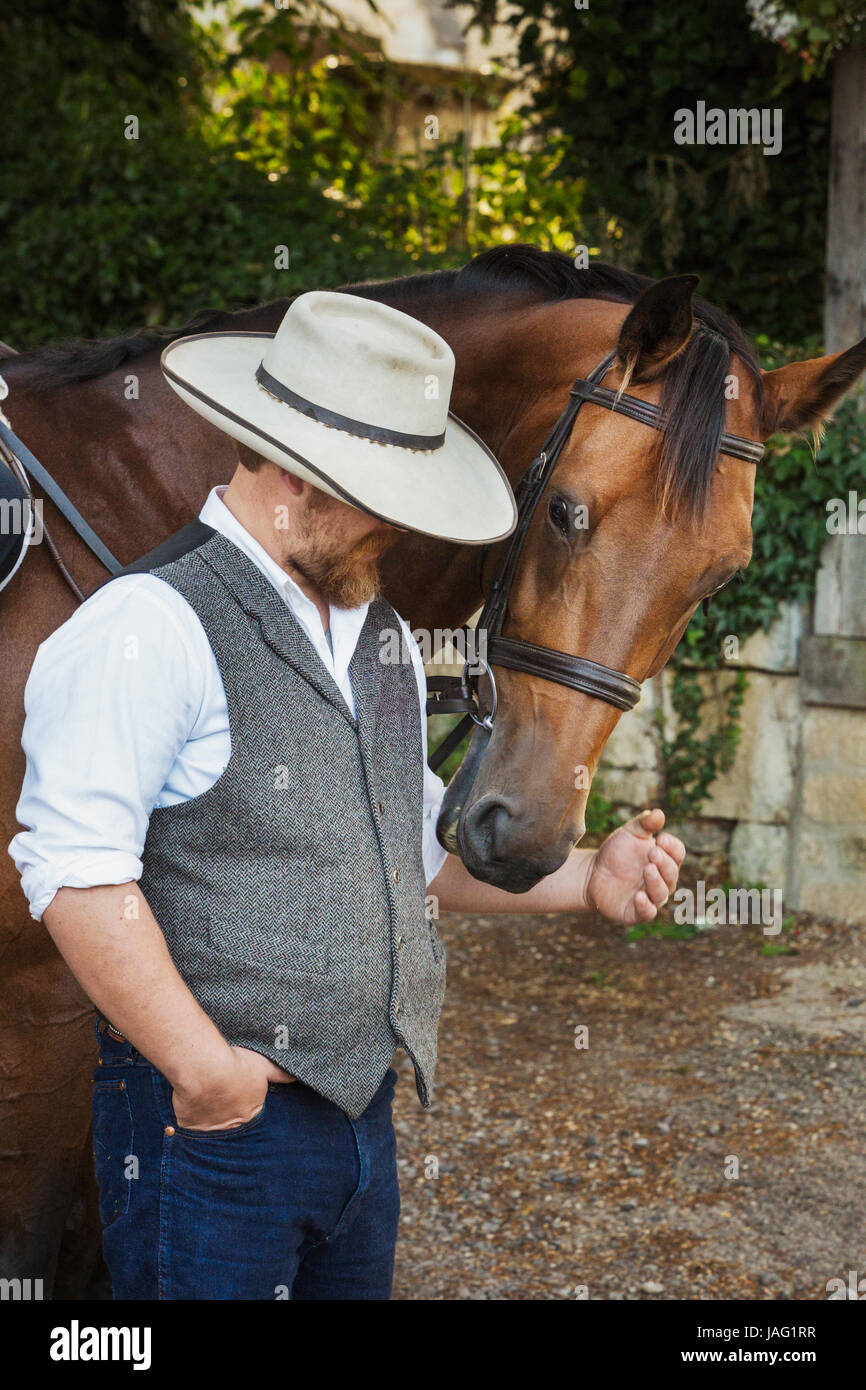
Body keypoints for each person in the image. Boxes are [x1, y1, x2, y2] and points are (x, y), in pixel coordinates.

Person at [9, 290, 683, 1300]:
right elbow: (71, 871)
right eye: (383, 495)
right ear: (293, 469)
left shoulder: (375, 639)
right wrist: (207, 1074)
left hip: (358, 1132)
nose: (405, 532)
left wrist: (587, 879)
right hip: (204, 1135)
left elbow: (405, 842)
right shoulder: (142, 627)